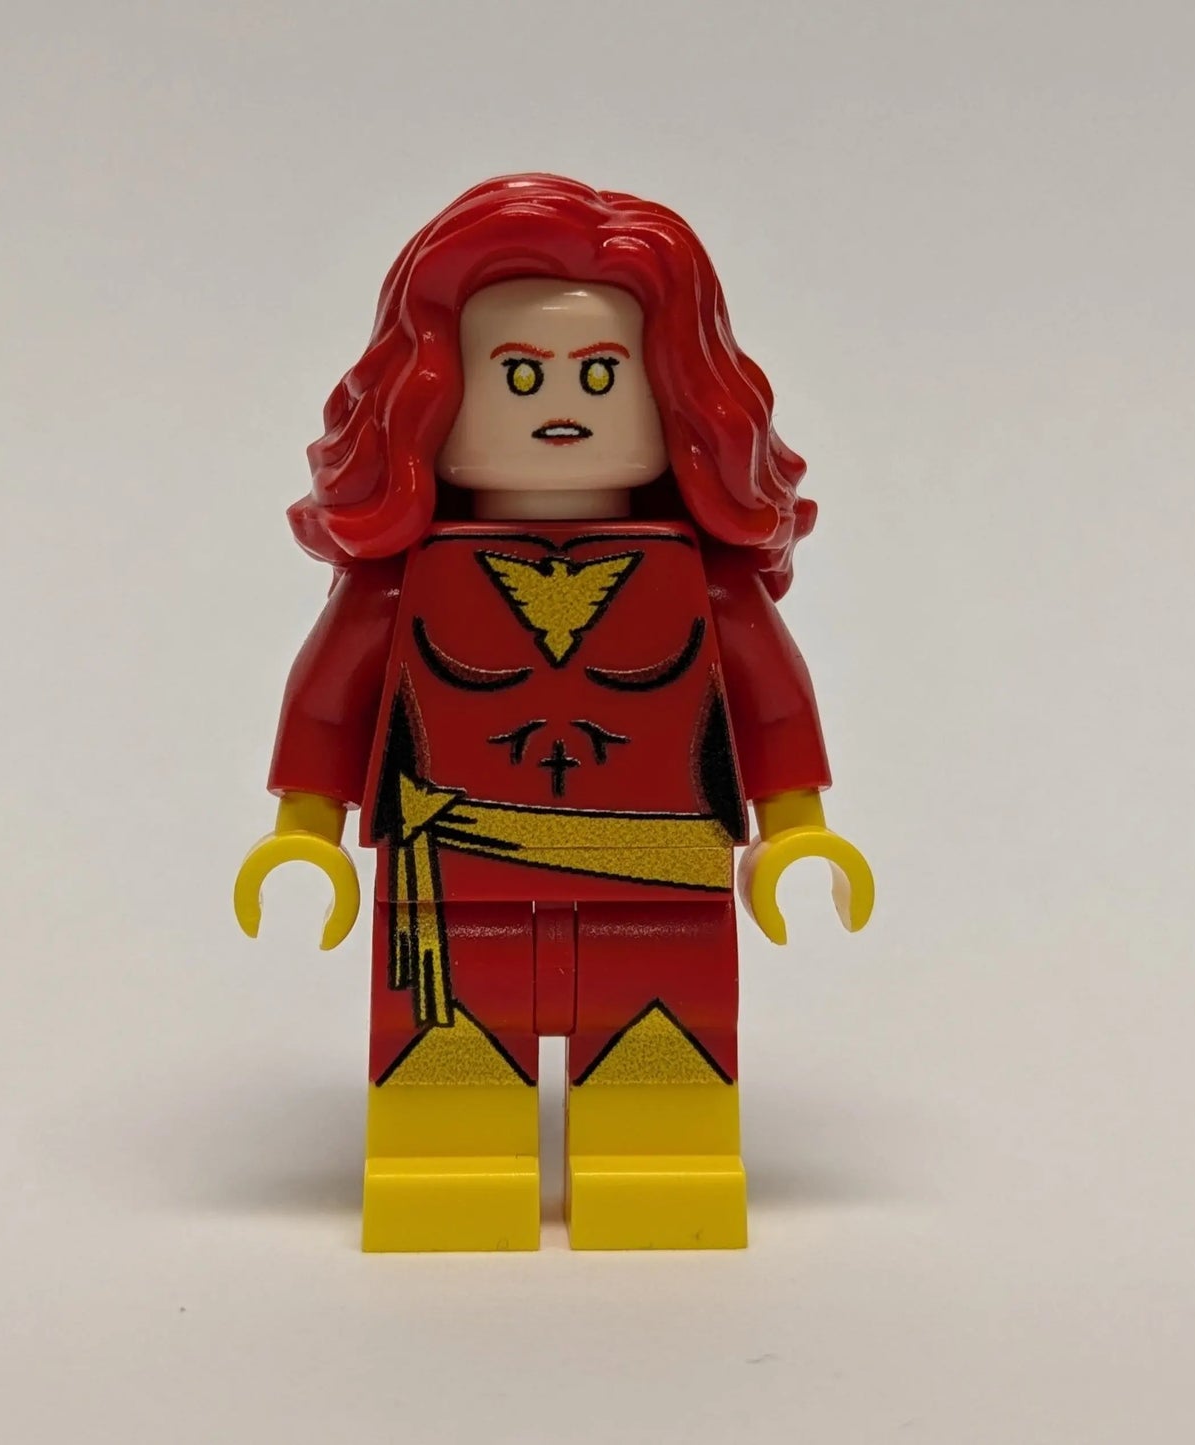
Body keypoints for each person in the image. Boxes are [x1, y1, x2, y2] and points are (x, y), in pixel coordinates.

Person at [234, 174, 873, 1251]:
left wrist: (796, 832)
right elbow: (330, 702)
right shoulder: (401, 581)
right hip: (448, 874)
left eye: (601, 372)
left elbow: (770, 700)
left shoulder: (701, 578)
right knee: (447, 1031)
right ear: (435, 393)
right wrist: (303, 834)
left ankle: (659, 1161)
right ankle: (444, 1162)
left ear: (673, 392)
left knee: (660, 1030)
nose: (558, 402)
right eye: (518, 372)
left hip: (661, 871)